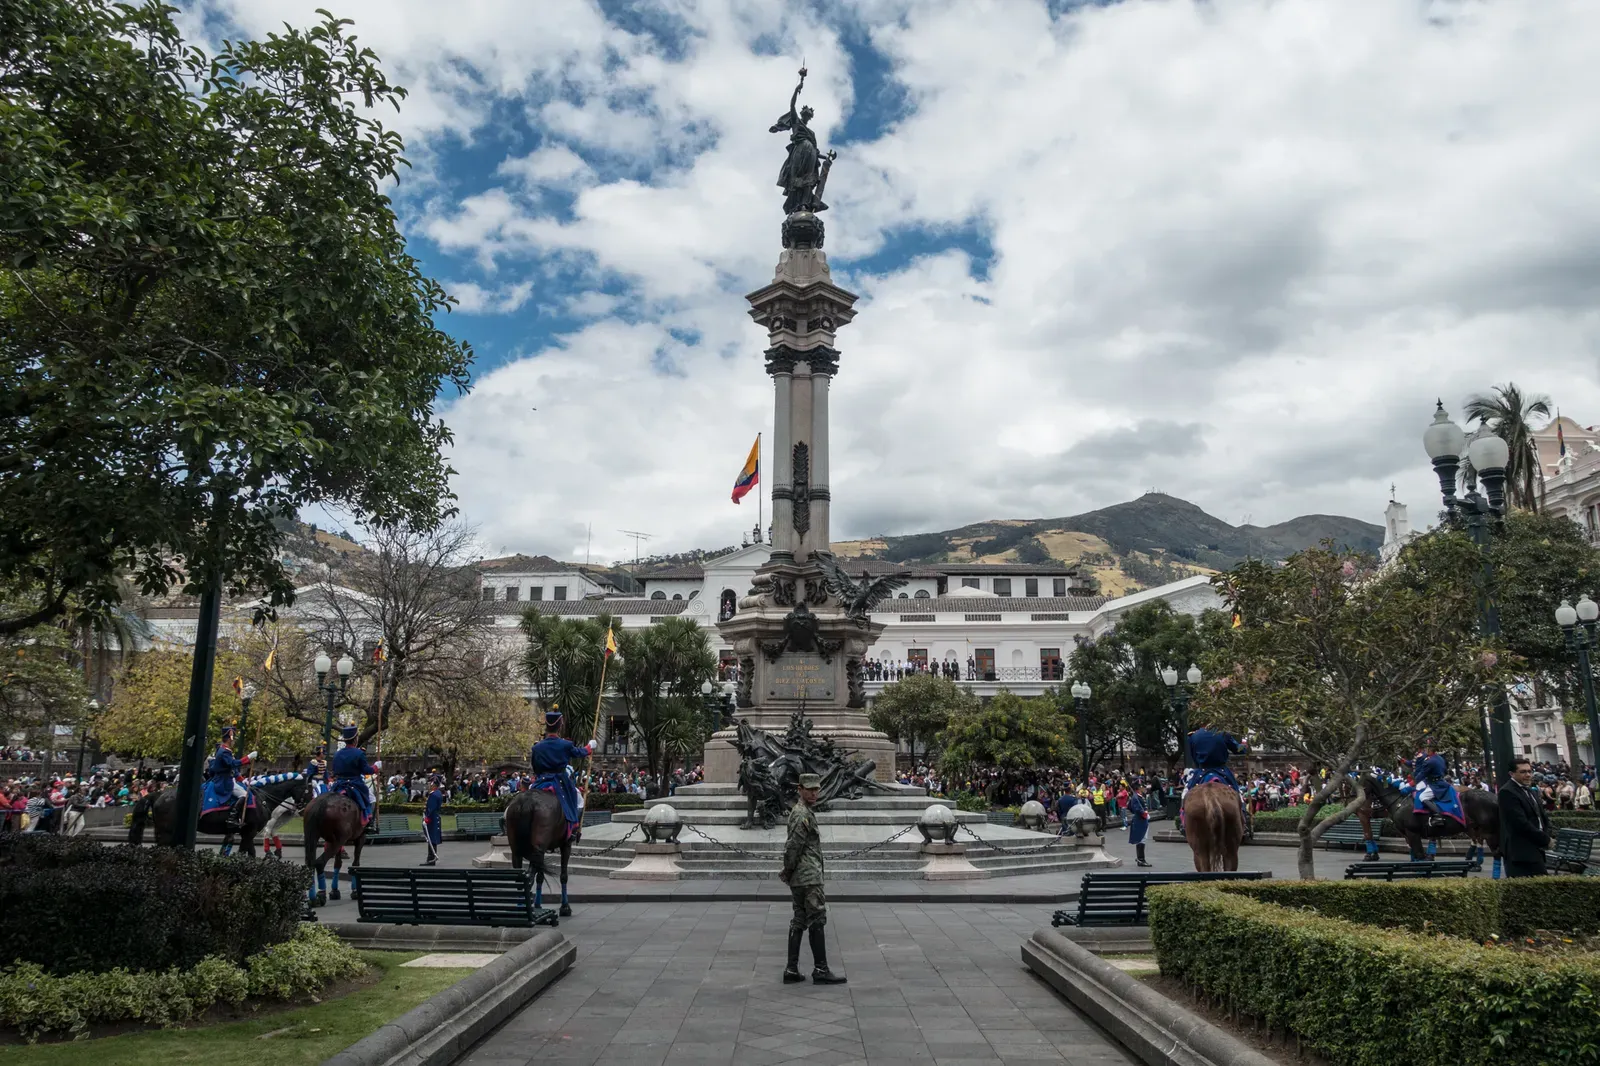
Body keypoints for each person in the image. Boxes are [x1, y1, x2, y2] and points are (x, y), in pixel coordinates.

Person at [780, 772, 845, 985]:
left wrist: (790, 872)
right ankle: (820, 968)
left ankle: (791, 969)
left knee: (799, 918)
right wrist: (788, 869)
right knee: (816, 918)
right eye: (810, 789)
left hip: (801, 875)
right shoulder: (802, 814)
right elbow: (794, 846)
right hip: (808, 876)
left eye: (816, 789)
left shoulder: (803, 811)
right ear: (800, 789)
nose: (814, 793)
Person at [529, 707, 595, 842]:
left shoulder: (536, 747)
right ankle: (572, 828)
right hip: (559, 781)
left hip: (541, 780)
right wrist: (590, 746)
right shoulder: (565, 744)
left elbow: (535, 767)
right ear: (560, 726)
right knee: (576, 800)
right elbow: (580, 753)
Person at [1499, 757, 1552, 878]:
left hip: (1536, 848)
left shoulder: (1530, 791)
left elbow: (1540, 817)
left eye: (1529, 771)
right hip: (1520, 853)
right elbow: (1519, 823)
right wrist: (1544, 839)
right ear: (1512, 774)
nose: (1528, 775)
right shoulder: (1507, 792)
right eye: (1523, 772)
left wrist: (1547, 833)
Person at [329, 725, 381, 831]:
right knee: (372, 799)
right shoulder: (359, 753)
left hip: (339, 784)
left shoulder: (337, 754)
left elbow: (334, 770)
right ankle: (368, 822)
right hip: (355, 783)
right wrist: (376, 766)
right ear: (356, 738)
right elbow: (367, 770)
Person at [206, 726, 253, 833]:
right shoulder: (224, 751)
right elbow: (232, 764)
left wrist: (242, 779)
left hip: (229, 779)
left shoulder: (225, 750)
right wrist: (248, 758)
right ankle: (232, 818)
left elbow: (232, 769)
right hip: (224, 782)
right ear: (229, 738)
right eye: (233, 738)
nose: (234, 741)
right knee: (244, 795)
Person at [1412, 742, 1452, 828]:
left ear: (1430, 749)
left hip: (1436, 784)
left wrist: (1411, 783)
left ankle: (1438, 816)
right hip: (1439, 781)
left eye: (1426, 749)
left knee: (1423, 797)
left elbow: (1422, 774)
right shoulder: (1440, 758)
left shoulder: (1429, 761)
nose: (1425, 750)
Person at [421, 773, 444, 866]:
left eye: (430, 783)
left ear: (433, 784)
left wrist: (427, 817)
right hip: (434, 817)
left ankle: (431, 857)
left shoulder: (434, 794)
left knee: (431, 838)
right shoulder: (437, 793)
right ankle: (431, 857)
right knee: (432, 837)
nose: (429, 785)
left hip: (432, 818)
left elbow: (432, 807)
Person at [1127, 783, 1151, 867]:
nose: (1144, 788)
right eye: (1142, 787)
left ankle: (1140, 859)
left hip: (1143, 820)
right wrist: (1142, 813)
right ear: (1138, 788)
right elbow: (1133, 807)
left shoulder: (1139, 796)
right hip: (1140, 820)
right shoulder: (1135, 797)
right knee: (1141, 839)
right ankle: (1141, 859)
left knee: (1143, 838)